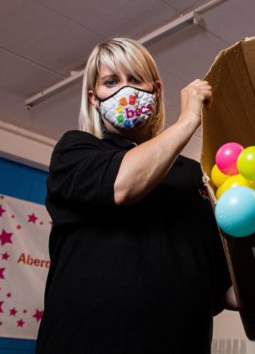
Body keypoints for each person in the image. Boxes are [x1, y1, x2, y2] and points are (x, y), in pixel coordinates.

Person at [36, 38, 233, 353]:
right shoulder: (76, 151)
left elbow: (222, 286)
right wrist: (188, 121)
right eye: (111, 82)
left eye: (135, 79)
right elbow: (122, 186)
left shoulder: (193, 175)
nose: (125, 91)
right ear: (94, 98)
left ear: (156, 89)